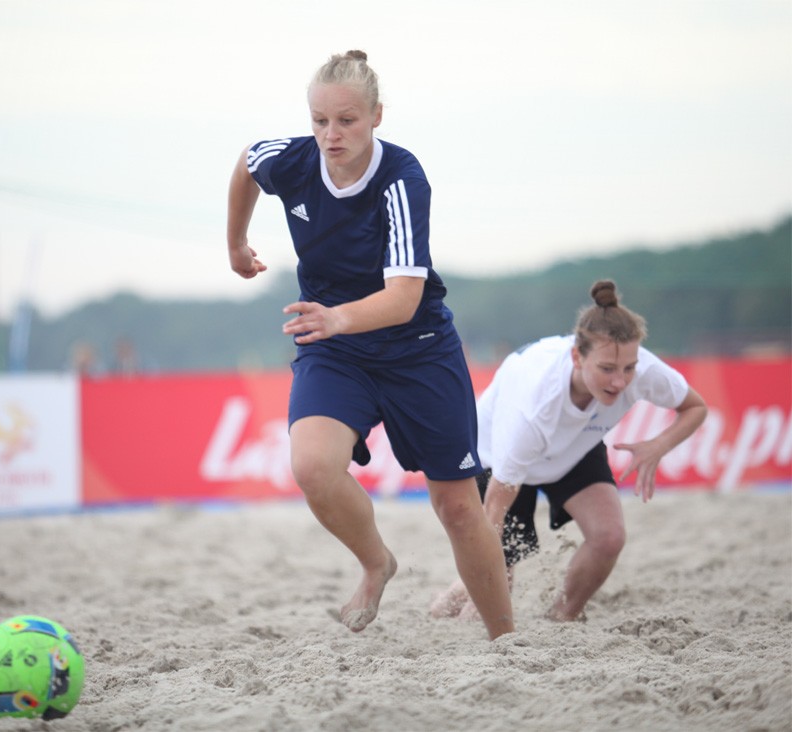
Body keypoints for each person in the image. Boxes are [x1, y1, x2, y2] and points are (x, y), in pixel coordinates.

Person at [226, 50, 514, 639]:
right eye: (320, 120)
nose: (331, 135)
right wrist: (236, 243)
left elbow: (403, 298)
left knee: (459, 508)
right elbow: (246, 164)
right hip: (337, 350)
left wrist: (336, 318)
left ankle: (506, 640)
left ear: (377, 115)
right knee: (311, 467)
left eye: (347, 120)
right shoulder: (294, 161)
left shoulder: (403, 179)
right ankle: (376, 561)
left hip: (418, 346)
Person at [430, 280, 708, 622]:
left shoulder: (643, 370)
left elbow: (696, 407)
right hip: (494, 457)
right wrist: (484, 573)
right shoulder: (534, 406)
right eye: (607, 369)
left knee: (609, 538)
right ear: (577, 357)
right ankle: (445, 605)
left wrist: (658, 445)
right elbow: (493, 515)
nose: (620, 382)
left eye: (628, 368)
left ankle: (560, 621)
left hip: (575, 445)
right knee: (496, 580)